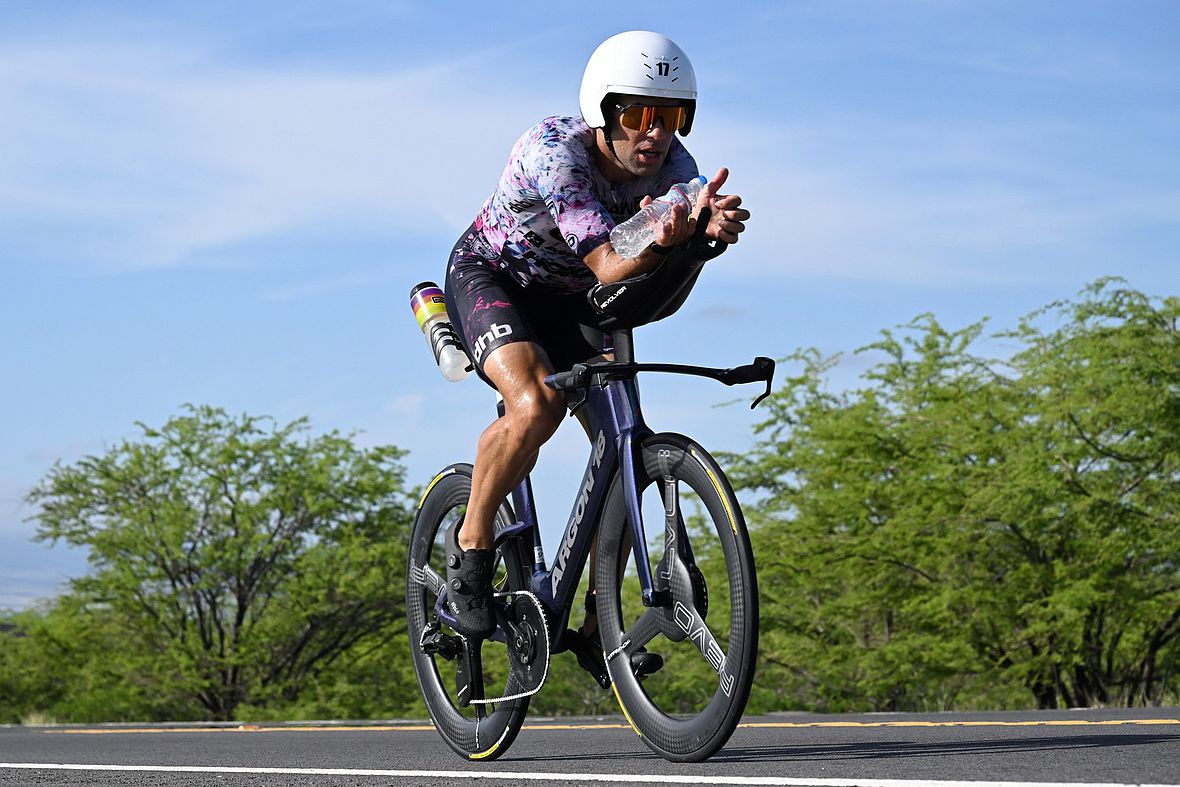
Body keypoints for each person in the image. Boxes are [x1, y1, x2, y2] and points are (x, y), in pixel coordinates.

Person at [441, 31, 750, 670]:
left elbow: (649, 258)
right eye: (637, 114)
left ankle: (597, 616)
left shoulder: (678, 173)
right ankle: (472, 546)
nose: (655, 133)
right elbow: (613, 262)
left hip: (573, 300)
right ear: (600, 113)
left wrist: (704, 235)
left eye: (672, 116)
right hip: (497, 279)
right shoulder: (556, 152)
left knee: (618, 433)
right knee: (535, 406)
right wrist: (671, 239)